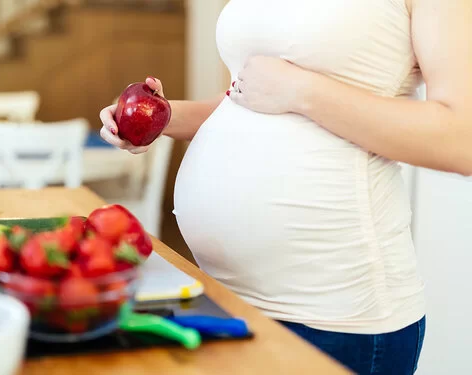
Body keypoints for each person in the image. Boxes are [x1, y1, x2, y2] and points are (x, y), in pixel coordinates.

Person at [100, 0, 472, 373]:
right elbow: (247, 97)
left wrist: (301, 90)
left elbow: (460, 140)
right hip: (224, 297)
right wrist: (161, 117)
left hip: (332, 320)